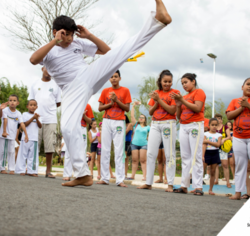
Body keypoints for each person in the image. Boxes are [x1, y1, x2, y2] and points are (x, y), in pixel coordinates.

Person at [29, 0, 172, 187]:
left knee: (120, 54)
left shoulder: (78, 43)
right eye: (65, 35)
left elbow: (107, 52)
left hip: (86, 75)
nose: (69, 39)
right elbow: (33, 60)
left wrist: (89, 35)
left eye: (71, 35)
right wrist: (55, 40)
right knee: (67, 128)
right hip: (71, 90)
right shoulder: (50, 50)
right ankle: (82, 174)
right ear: (55, 33)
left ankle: (157, 22)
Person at [138, 69, 179, 191]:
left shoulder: (174, 92)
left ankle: (170, 184)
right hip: (155, 123)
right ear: (160, 81)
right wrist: (156, 101)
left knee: (169, 154)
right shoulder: (156, 92)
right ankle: (148, 183)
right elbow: (150, 112)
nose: (167, 84)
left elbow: (172, 110)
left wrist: (159, 100)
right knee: (151, 153)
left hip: (168, 123)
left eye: (169, 81)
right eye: (164, 81)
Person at [170, 73, 206, 196]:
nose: (184, 85)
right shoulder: (184, 96)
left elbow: (197, 108)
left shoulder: (199, 92)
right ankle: (184, 185)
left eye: (186, 82)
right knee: (185, 156)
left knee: (195, 155)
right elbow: (178, 116)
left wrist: (182, 100)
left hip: (195, 124)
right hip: (184, 125)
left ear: (193, 81)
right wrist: (179, 105)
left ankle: (198, 186)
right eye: (182, 83)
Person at [98, 71, 132, 187]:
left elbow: (127, 109)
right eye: (111, 77)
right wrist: (110, 103)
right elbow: (100, 108)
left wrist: (117, 100)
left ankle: (120, 179)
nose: (113, 79)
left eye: (116, 77)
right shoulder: (105, 91)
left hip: (119, 121)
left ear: (120, 78)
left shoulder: (125, 90)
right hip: (107, 120)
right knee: (105, 149)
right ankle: (104, 177)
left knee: (119, 150)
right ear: (109, 79)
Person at [28, 66, 61, 178]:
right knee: (35, 143)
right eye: (47, 68)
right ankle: (33, 168)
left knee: (49, 145)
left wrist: (48, 108)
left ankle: (48, 171)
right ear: (42, 69)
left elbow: (58, 102)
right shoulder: (35, 84)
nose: (49, 71)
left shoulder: (56, 85)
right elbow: (30, 102)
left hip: (50, 118)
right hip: (36, 118)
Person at [0, 95, 29, 174]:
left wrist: (26, 134)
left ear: (17, 103)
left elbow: (22, 123)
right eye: (10, 100)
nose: (12, 102)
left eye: (14, 100)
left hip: (12, 136)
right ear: (8, 102)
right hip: (3, 135)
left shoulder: (18, 113)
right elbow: (4, 120)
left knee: (11, 152)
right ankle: (2, 168)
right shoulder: (5, 110)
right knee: (2, 152)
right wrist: (4, 131)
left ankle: (11, 168)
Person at [15, 100, 42, 176]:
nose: (32, 106)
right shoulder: (24, 114)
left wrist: (36, 118)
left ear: (36, 107)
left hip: (34, 139)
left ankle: (31, 171)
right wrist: (33, 117)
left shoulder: (38, 116)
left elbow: (40, 126)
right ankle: (21, 170)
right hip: (25, 138)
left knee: (32, 156)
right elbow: (25, 124)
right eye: (31, 105)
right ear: (27, 106)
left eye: (34, 105)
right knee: (23, 155)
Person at [130, 101, 150, 181]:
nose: (141, 118)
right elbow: (132, 116)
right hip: (134, 144)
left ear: (145, 120)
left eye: (143, 117)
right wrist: (133, 106)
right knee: (134, 160)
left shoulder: (147, 127)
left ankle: (144, 176)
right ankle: (132, 175)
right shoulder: (136, 125)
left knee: (143, 160)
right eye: (140, 117)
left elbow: (151, 134)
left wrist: (149, 138)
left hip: (144, 145)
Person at [202, 118, 222, 195]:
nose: (214, 126)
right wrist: (202, 155)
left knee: (213, 172)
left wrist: (207, 141)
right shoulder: (205, 134)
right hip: (207, 153)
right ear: (209, 125)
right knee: (202, 170)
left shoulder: (219, 135)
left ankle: (210, 189)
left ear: (218, 126)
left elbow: (218, 144)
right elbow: (204, 144)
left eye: (215, 125)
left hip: (215, 153)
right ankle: (198, 187)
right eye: (212, 125)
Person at [214, 113, 232, 188]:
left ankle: (228, 182)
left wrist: (223, 139)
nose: (218, 120)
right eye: (217, 118)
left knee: (225, 165)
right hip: (215, 148)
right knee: (215, 165)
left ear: (221, 120)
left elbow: (229, 137)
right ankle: (216, 180)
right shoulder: (213, 127)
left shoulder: (225, 127)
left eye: (220, 118)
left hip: (223, 148)